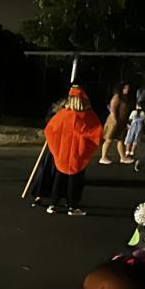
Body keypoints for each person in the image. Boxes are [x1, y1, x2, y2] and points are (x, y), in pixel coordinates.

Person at [43, 86, 102, 216]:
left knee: (59, 178)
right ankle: (72, 206)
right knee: (75, 181)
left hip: (62, 153)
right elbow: (96, 134)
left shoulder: (62, 115)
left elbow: (50, 130)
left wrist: (56, 147)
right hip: (78, 154)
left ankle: (53, 204)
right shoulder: (88, 116)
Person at [99, 81, 134, 165]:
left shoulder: (124, 98)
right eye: (125, 88)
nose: (127, 89)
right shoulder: (117, 97)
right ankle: (103, 157)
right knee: (109, 139)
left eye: (128, 88)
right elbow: (112, 109)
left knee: (120, 139)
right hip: (114, 121)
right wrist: (114, 120)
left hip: (122, 122)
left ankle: (123, 157)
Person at [123, 91, 145, 161]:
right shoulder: (143, 113)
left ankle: (127, 152)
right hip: (139, 127)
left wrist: (128, 125)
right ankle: (132, 152)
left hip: (133, 127)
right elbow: (144, 121)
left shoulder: (134, 112)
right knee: (135, 140)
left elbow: (129, 120)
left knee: (129, 139)